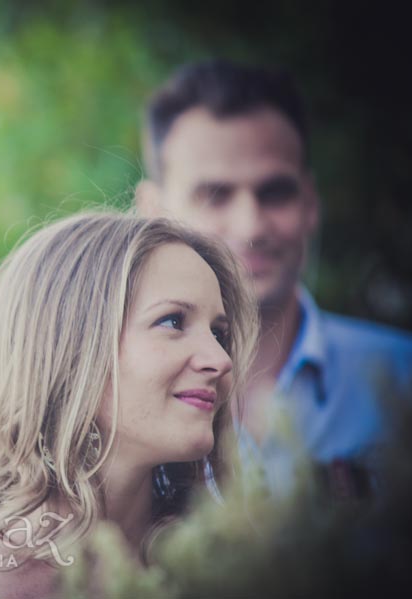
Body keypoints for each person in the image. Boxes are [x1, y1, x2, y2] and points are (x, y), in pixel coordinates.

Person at [0, 212, 258, 598]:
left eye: (219, 333)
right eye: (172, 322)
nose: (220, 361)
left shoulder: (236, 573)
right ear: (69, 350)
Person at [135, 60, 412, 494]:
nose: (251, 227)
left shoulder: (402, 382)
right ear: (153, 212)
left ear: (311, 203)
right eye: (215, 195)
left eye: (275, 192)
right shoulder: (108, 408)